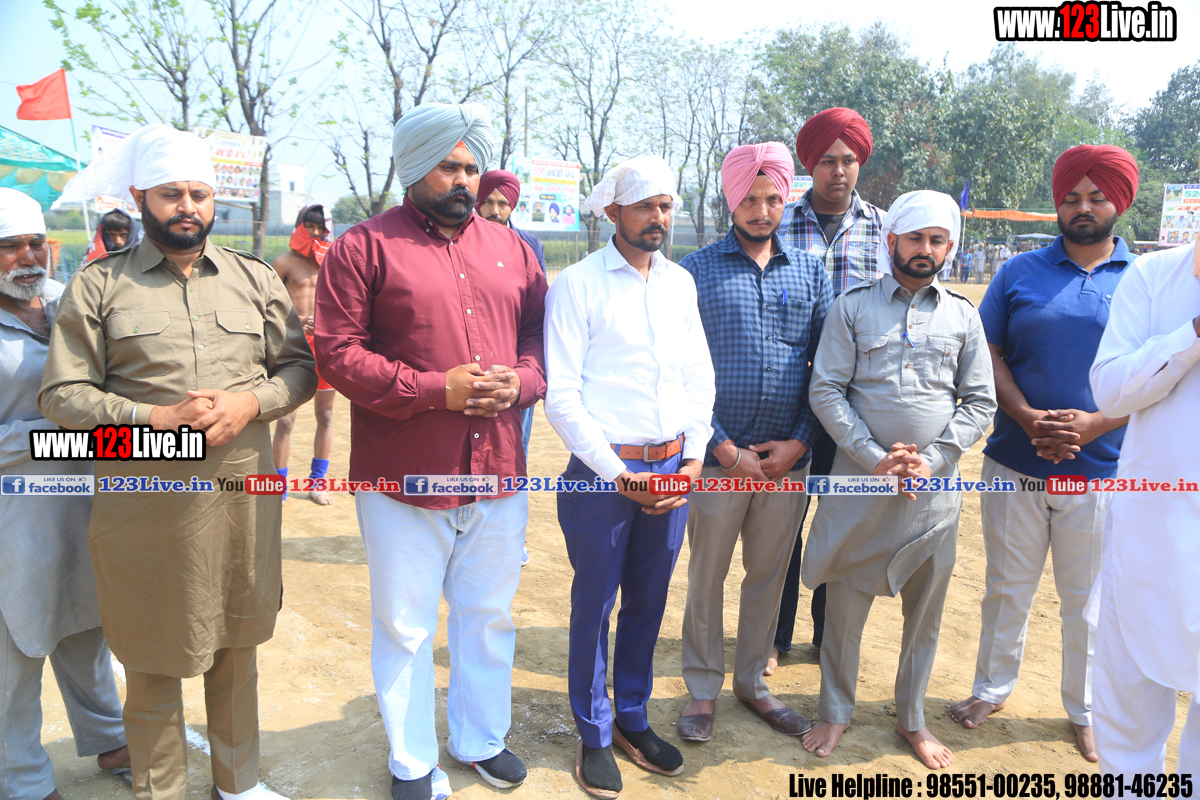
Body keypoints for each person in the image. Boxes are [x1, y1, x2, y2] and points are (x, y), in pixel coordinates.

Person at [38, 124, 317, 800]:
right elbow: (61, 395)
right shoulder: (100, 285)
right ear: (140, 198)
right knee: (152, 655)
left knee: (237, 649)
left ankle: (236, 784)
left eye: (199, 193)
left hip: (241, 503)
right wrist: (151, 419)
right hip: (145, 510)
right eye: (171, 194)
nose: (187, 206)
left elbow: (299, 370)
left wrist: (250, 403)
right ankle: (159, 789)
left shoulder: (254, 278)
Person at [313, 103, 547, 800]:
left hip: (498, 469)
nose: (464, 179)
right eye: (449, 166)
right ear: (413, 167)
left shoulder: (512, 250)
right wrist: (436, 389)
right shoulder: (363, 247)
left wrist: (523, 381)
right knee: (406, 626)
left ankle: (480, 739)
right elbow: (337, 353)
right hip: (404, 475)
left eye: (472, 167)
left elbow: (541, 338)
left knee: (488, 615)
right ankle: (411, 761)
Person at [950, 145, 1139, 762]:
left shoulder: (1144, 281)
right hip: (1016, 460)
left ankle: (1085, 710)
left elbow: (1159, 373)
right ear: (1058, 205)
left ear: (1118, 203)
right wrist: (1028, 417)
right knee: (1007, 588)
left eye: (1096, 197)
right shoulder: (1018, 273)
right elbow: (988, 352)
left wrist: (1097, 424)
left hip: (1103, 470)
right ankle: (991, 689)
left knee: (1090, 603)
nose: (1083, 208)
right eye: (1071, 198)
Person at [799, 190, 996, 769]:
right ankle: (835, 711)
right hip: (859, 488)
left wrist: (932, 459)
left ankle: (912, 719)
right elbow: (825, 389)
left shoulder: (963, 315)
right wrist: (872, 456)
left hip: (932, 496)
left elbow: (980, 402)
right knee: (844, 609)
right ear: (891, 242)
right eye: (915, 238)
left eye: (937, 240)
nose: (924, 249)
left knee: (925, 616)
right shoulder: (852, 307)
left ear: (949, 248)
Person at [544, 154, 714, 798]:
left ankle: (632, 717)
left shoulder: (679, 283)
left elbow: (698, 377)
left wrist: (693, 458)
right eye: (645, 206)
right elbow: (562, 396)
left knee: (649, 598)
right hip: (602, 473)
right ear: (613, 210)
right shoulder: (578, 284)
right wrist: (619, 474)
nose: (658, 217)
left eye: (666, 206)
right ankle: (593, 731)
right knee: (596, 602)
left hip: (673, 467)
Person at [676, 143, 833, 744]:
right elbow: (680, 371)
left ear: (786, 199)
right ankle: (701, 688)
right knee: (707, 577)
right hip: (719, 461)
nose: (762, 211)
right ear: (730, 199)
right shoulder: (695, 271)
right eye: (749, 199)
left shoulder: (809, 272)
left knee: (768, 578)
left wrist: (799, 443)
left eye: (772, 199)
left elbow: (826, 369)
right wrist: (722, 449)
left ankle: (752, 684)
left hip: (786, 465)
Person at [0, 188, 131, 800]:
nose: (28, 258)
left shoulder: (66, 301)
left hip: (84, 492)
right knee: (16, 641)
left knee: (86, 619)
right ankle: (22, 778)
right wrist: (63, 429)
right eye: (9, 247)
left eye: (36, 244)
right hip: (14, 504)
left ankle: (110, 738)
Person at [771, 106, 885, 672]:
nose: (837, 171)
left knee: (840, 520)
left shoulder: (884, 229)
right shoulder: (779, 223)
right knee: (782, 523)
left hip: (856, 402)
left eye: (848, 160)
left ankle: (827, 637)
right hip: (788, 396)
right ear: (808, 165)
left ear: (860, 163)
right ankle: (772, 637)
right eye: (825, 161)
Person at [1088, 241, 1200, 776]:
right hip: (1150, 537)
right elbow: (1110, 393)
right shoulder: (1155, 275)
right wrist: (1191, 334)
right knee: (1128, 721)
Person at [475, 169, 548, 567]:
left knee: (515, 448)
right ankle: (466, 528)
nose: (495, 210)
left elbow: (535, 310)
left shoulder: (529, 246)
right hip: (469, 363)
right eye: (488, 201)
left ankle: (510, 537)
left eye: (503, 203)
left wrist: (525, 370)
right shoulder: (460, 242)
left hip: (514, 367)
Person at [271, 203, 338, 504]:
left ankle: (317, 483)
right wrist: (297, 320)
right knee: (285, 420)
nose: (314, 232)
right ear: (299, 226)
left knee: (326, 415)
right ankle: (279, 485)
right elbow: (267, 307)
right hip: (293, 346)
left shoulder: (334, 262)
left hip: (325, 347)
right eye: (309, 225)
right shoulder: (283, 263)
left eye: (320, 227)